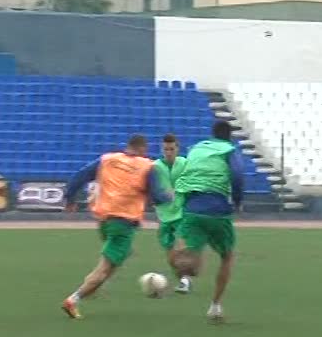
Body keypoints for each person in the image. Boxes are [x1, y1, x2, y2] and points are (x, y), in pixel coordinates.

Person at [60, 134, 171, 319]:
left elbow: (80, 176)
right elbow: (158, 197)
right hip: (123, 222)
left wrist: (70, 198)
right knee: (104, 268)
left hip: (104, 220)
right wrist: (171, 196)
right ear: (143, 149)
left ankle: (94, 286)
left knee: (118, 256)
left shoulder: (107, 159)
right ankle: (73, 299)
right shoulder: (147, 166)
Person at [171, 120, 245, 324]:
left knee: (185, 252)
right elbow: (238, 175)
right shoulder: (229, 149)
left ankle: (185, 272)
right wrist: (237, 201)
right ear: (229, 136)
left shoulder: (196, 149)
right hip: (218, 210)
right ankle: (215, 305)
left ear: (212, 134)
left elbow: (184, 173)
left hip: (192, 208)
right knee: (227, 256)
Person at [152, 133, 191, 294]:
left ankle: (185, 280)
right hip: (163, 215)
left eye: (171, 149)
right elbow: (150, 188)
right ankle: (183, 279)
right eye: (166, 149)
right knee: (170, 256)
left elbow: (193, 181)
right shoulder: (155, 167)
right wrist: (159, 195)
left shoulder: (184, 163)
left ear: (177, 149)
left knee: (181, 248)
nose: (168, 152)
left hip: (182, 213)